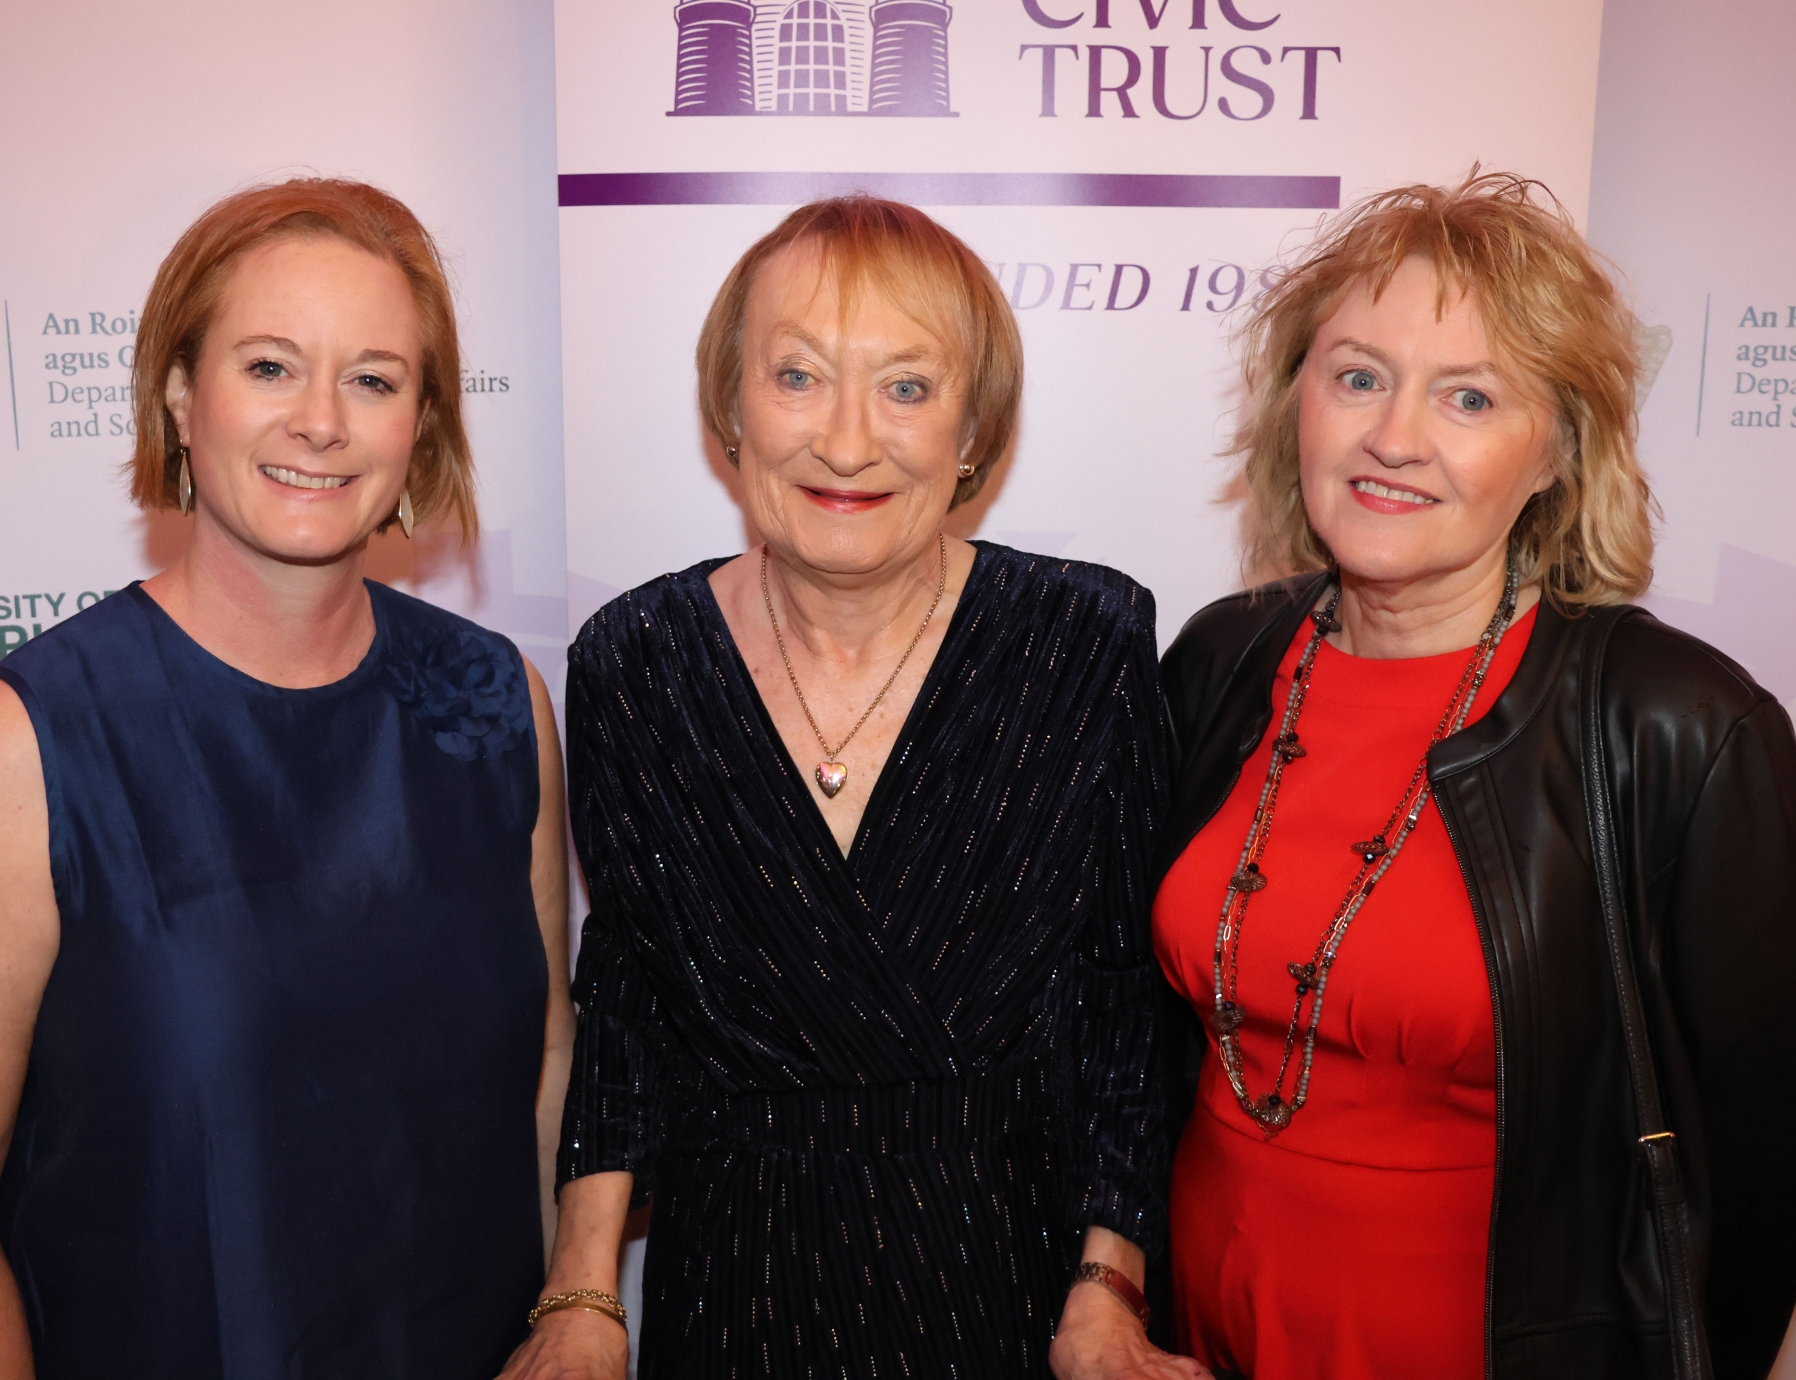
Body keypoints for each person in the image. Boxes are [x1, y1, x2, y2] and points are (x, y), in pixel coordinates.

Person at [0, 179, 574, 1378]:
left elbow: (548, 1060)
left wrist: (577, 1305)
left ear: (421, 426)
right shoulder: (25, 745)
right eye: (268, 367)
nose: (322, 421)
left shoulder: (496, 702)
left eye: (373, 379)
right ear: (179, 397)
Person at [504, 197, 1203, 1380]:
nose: (845, 440)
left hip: (1015, 1293)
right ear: (732, 406)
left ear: (973, 430)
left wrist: (1108, 1291)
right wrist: (582, 1294)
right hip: (735, 1288)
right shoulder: (636, 661)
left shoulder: (1084, 641)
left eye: (907, 387)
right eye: (798, 376)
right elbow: (626, 999)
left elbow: (1123, 1013)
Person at [1152, 171, 1796, 1379]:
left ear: (1556, 453)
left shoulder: (1680, 728)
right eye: (1358, 378)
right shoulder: (1219, 661)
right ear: (1297, 402)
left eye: (1470, 397)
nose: (1394, 438)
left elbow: (1767, 1157)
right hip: (1198, 1335)